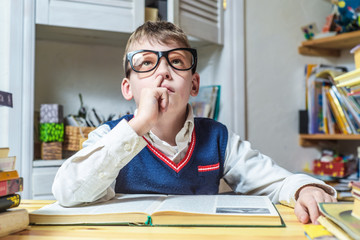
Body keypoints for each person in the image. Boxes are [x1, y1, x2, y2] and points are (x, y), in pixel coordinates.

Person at [52, 21, 336, 224]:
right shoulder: (110, 135)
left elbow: (274, 180)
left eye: (177, 61)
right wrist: (138, 126)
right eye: (147, 63)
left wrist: (304, 188)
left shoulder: (217, 137)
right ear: (128, 88)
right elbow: (68, 193)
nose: (163, 70)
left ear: (194, 84)